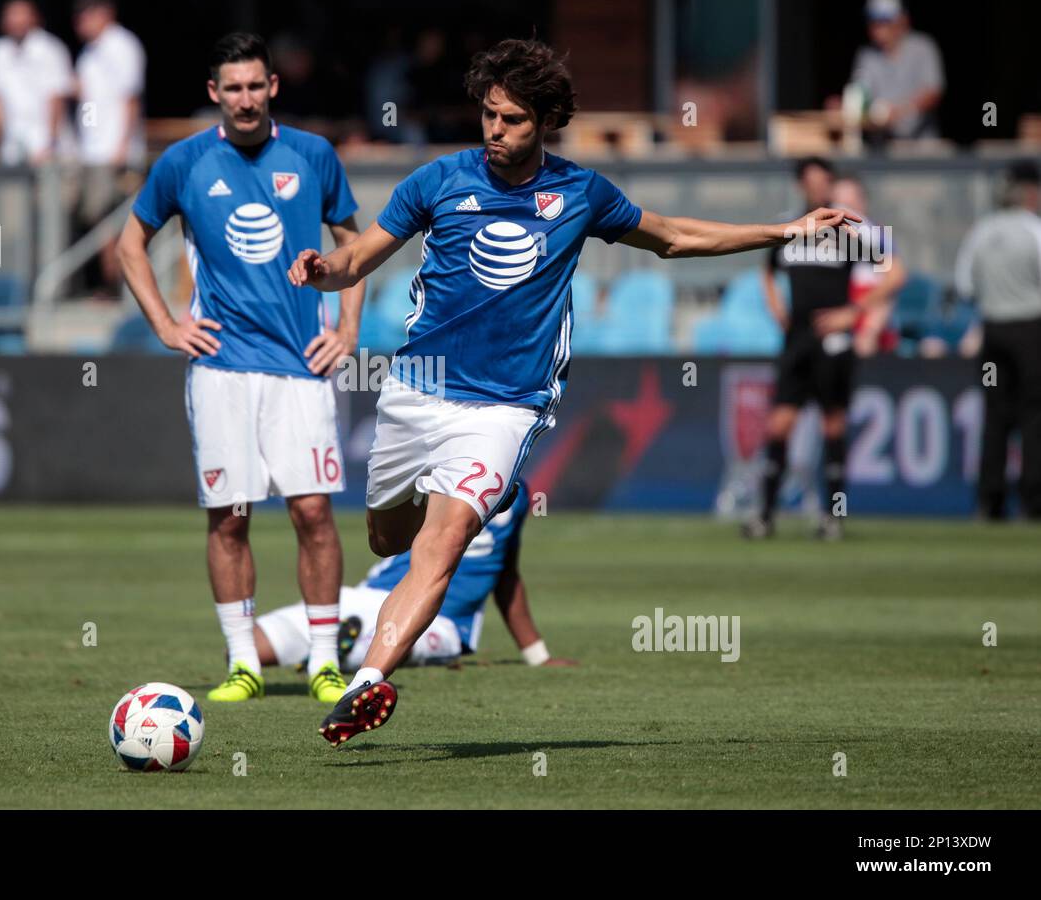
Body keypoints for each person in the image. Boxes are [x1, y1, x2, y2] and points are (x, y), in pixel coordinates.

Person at [286, 38, 859, 746]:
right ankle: (380, 626)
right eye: (490, 115)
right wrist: (322, 269)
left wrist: (784, 229)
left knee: (448, 538)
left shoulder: (581, 194)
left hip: (505, 404)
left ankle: (368, 682)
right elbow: (356, 257)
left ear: (545, 122)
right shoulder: (437, 181)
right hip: (417, 389)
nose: (496, 130)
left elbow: (674, 236)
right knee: (388, 536)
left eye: (514, 120)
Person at [116, 33, 365, 705]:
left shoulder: (313, 155)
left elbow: (354, 244)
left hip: (299, 365)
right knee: (229, 518)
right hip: (220, 367)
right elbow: (129, 244)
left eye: (257, 85)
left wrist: (347, 328)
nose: (246, 99)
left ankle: (322, 662)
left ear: (273, 88)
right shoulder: (185, 162)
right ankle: (241, 664)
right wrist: (167, 324)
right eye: (234, 88)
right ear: (214, 94)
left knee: (313, 512)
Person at [255, 480, 575, 674]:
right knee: (251, 648)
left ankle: (338, 652)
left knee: (403, 643)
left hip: (442, 621)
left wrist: (538, 656)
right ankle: (336, 651)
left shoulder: (516, 495)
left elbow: (506, 575)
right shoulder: (433, 471)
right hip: (372, 595)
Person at [746, 158, 906, 541]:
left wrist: (853, 313)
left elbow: (895, 272)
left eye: (825, 181)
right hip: (797, 338)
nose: (819, 188)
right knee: (779, 424)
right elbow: (766, 269)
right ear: (802, 185)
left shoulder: (847, 229)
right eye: (812, 180)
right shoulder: (790, 226)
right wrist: (776, 309)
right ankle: (765, 515)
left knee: (832, 425)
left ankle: (833, 517)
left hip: (833, 340)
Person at [954, 160, 1041, 519]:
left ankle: (990, 502)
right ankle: (1034, 502)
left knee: (995, 417)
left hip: (993, 331)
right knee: (1034, 417)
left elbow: (964, 286)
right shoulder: (1034, 229)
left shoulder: (982, 232)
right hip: (1031, 330)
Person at [74, 0, 145, 296]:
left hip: (117, 153)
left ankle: (121, 289)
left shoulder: (123, 45)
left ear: (105, 13)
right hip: (93, 152)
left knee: (123, 223)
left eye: (87, 16)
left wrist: (122, 146)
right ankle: (110, 286)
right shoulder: (89, 53)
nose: (81, 24)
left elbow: (130, 98)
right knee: (102, 224)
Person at [0, 0, 74, 165]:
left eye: (21, 16)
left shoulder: (51, 49)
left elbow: (57, 98)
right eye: (12, 17)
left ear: (34, 19)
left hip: (46, 144)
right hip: (13, 143)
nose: (16, 22)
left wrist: (50, 142)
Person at [844, 0, 944, 144]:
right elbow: (860, 92)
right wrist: (847, 107)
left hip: (920, 145)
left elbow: (934, 92)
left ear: (902, 20)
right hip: (880, 145)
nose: (878, 28)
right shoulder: (866, 55)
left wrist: (901, 111)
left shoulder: (922, 47)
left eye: (884, 21)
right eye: (873, 21)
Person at [832, 175, 900, 357]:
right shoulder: (822, 238)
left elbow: (894, 278)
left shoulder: (876, 236)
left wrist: (863, 319)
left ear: (862, 203)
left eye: (849, 205)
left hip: (868, 322)